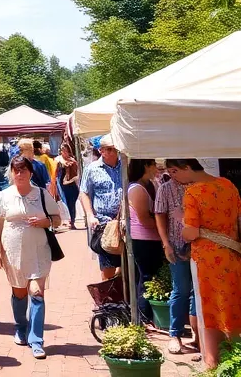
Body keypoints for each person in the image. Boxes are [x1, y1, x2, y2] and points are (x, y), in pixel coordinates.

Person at [173, 158, 241, 369]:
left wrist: (181, 218)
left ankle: (212, 362)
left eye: (175, 171)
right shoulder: (227, 184)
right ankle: (239, 356)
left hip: (206, 259)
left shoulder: (193, 193)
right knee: (233, 303)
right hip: (232, 254)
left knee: (208, 307)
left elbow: (190, 233)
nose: (174, 177)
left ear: (187, 168)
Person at [0, 155, 62, 360]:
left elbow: (57, 219)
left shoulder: (41, 194)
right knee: (20, 292)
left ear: (31, 172)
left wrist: (45, 222)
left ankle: (37, 340)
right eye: (16, 170)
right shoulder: (4, 195)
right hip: (12, 252)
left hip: (39, 250)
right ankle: (21, 327)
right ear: (11, 173)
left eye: (23, 170)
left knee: (37, 292)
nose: (20, 174)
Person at [155, 161, 199, 355]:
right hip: (177, 244)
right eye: (169, 171)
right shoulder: (165, 189)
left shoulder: (199, 186)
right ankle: (175, 333)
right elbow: (160, 215)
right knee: (180, 289)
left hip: (200, 244)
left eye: (175, 170)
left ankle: (198, 334)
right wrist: (166, 243)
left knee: (199, 290)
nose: (172, 175)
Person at [79, 135, 124, 280]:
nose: (113, 152)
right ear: (101, 151)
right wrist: (90, 215)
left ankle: (121, 295)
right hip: (104, 222)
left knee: (126, 263)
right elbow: (84, 192)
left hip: (124, 221)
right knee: (108, 264)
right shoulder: (92, 169)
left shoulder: (125, 166)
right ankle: (107, 298)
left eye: (115, 149)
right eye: (109, 149)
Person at [127, 158, 164, 325]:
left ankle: (147, 315)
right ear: (145, 166)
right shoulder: (137, 189)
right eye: (153, 164)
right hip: (143, 239)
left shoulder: (150, 184)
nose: (156, 167)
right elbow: (144, 219)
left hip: (152, 238)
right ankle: (144, 316)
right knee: (146, 277)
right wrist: (165, 229)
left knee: (150, 276)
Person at [56, 142, 81, 230]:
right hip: (61, 186)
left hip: (71, 185)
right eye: (63, 151)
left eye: (66, 151)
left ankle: (72, 222)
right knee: (63, 204)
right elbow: (54, 172)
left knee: (71, 204)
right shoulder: (57, 160)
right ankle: (66, 221)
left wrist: (70, 165)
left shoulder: (73, 161)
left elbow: (76, 172)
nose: (65, 153)